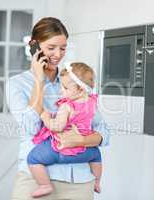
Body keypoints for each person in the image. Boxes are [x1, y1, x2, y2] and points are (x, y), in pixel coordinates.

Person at [6, 17, 110, 200]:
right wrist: (38, 79)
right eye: (51, 48)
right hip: (36, 181)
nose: (58, 54)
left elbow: (103, 131)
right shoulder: (17, 84)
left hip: (79, 182)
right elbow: (30, 128)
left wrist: (80, 140)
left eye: (62, 48)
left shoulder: (75, 82)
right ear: (34, 46)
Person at [27, 62, 102, 198]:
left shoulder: (67, 106)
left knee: (33, 158)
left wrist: (46, 117)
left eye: (65, 88)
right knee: (97, 156)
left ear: (80, 89)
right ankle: (96, 182)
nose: (62, 90)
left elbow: (57, 127)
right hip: (85, 151)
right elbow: (97, 125)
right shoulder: (92, 102)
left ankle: (44, 185)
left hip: (61, 149)